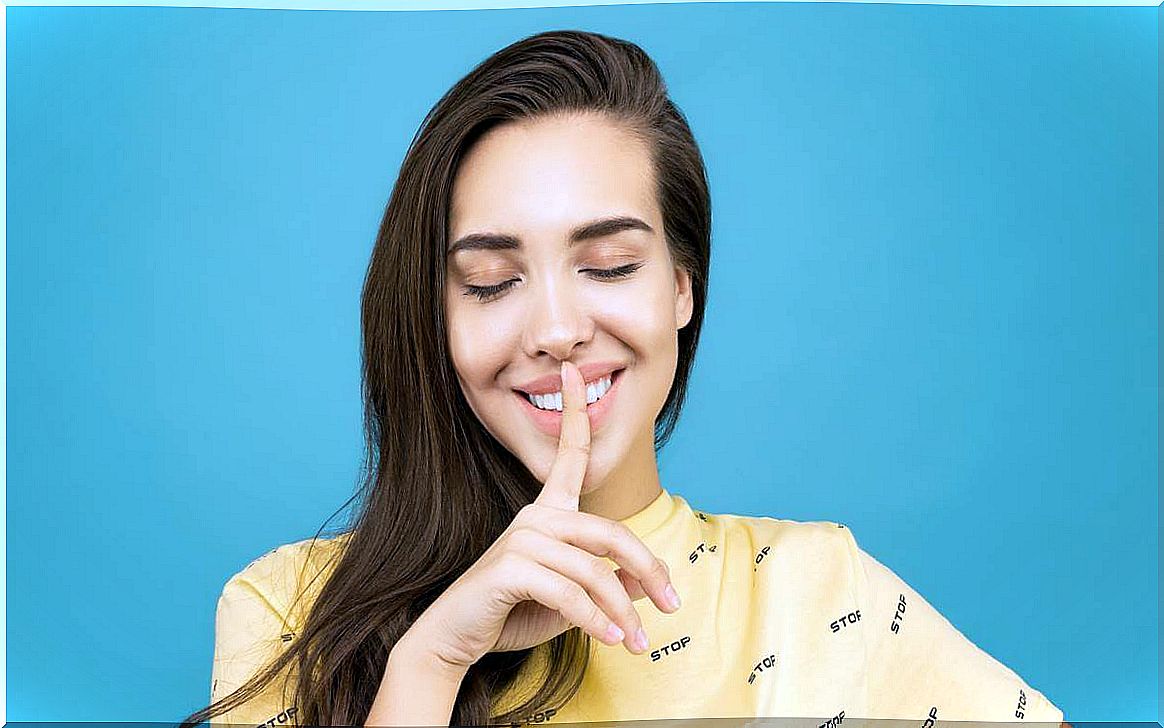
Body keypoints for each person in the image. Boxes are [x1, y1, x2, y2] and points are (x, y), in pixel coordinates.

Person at [181, 29, 1065, 728]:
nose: (559, 331)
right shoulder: (289, 610)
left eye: (608, 265)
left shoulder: (822, 591)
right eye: (490, 282)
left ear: (682, 288)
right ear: (433, 317)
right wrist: (431, 662)